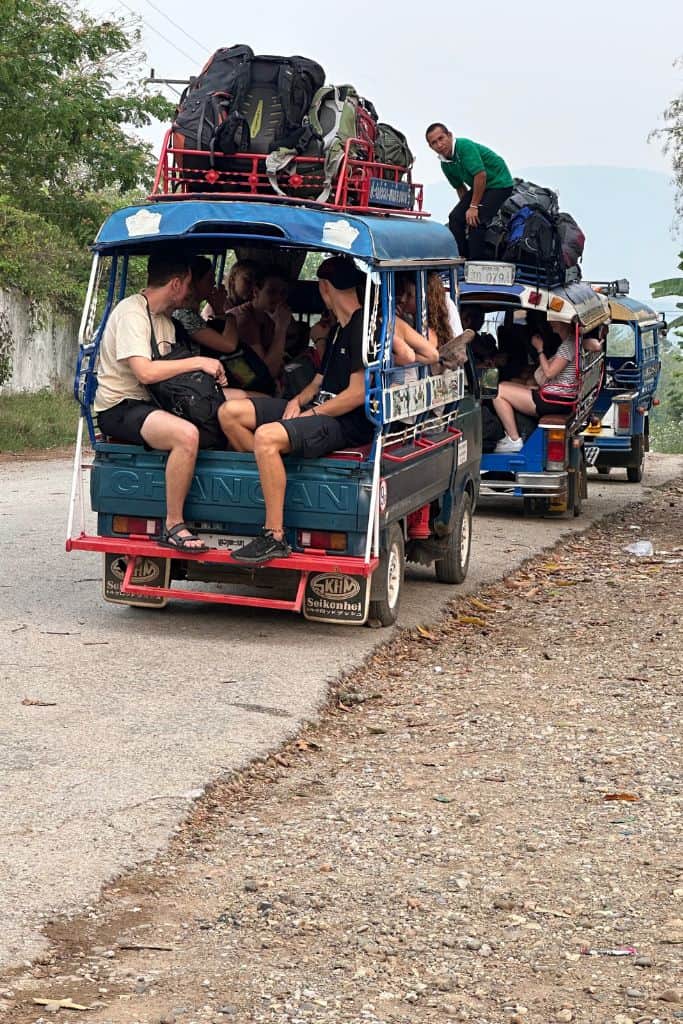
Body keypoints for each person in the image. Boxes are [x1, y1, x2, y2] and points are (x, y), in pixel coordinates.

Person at [222, 256, 374, 565]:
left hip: (342, 423)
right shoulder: (338, 329)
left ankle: (274, 535)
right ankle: (269, 482)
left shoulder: (360, 326)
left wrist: (310, 415)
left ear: (324, 287)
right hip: (318, 409)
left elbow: (356, 395)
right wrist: (297, 401)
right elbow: (319, 380)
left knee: (266, 436)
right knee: (229, 413)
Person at [94, 249, 229, 553]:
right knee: (186, 435)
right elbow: (145, 372)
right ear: (177, 284)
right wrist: (199, 364)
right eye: (189, 285)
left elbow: (174, 380)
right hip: (121, 406)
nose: (190, 292)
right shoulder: (132, 313)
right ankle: (174, 524)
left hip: (154, 402)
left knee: (228, 408)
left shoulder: (165, 321)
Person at [425, 124, 513, 259]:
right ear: (431, 147)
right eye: (434, 143)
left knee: (476, 221)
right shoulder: (445, 164)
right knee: (455, 218)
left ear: (449, 135)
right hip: (481, 186)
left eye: (441, 138)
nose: (439, 144)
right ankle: (462, 258)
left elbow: (480, 175)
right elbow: (460, 188)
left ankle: (475, 264)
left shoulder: (464, 146)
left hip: (499, 183)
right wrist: (465, 209)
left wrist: (473, 207)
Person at [491, 317, 579, 453]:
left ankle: (514, 440)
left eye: (555, 319)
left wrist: (540, 349)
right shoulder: (570, 343)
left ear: (565, 323)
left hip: (553, 400)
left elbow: (549, 372)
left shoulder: (568, 345)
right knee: (506, 383)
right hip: (555, 395)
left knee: (498, 391)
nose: (550, 322)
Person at [226, 266, 292, 381]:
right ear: (256, 292)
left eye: (283, 293)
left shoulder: (270, 315)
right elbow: (267, 373)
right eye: (271, 292)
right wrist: (281, 329)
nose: (278, 298)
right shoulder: (244, 319)